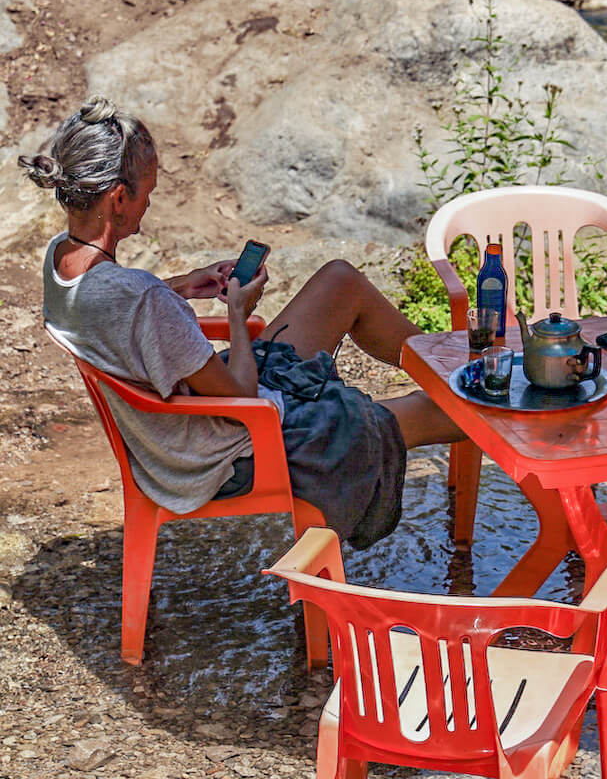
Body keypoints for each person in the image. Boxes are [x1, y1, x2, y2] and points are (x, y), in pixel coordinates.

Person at [19, 98, 464, 550]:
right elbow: (243, 396)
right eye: (147, 195)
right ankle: (486, 396)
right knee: (434, 413)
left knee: (339, 282)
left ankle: (455, 367)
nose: (147, 207)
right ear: (118, 197)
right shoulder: (144, 301)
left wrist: (185, 285)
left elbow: (117, 301)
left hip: (195, 422)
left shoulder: (62, 260)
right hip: (236, 449)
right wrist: (237, 312)